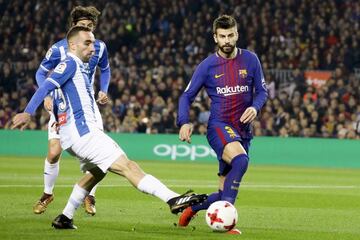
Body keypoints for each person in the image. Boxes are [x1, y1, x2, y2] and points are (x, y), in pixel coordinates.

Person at [12, 26, 207, 230]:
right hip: (85, 134)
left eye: (94, 43)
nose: (93, 48)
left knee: (97, 172)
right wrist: (28, 112)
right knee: (129, 167)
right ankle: (173, 200)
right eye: (87, 43)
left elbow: (103, 70)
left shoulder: (79, 66)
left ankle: (65, 217)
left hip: (74, 137)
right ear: (72, 45)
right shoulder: (69, 63)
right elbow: (45, 85)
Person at [176, 15, 268, 234]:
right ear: (215, 37)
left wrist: (255, 107)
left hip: (243, 131)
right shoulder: (207, 66)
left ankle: (191, 207)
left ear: (237, 34)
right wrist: (184, 122)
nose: (227, 40)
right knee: (241, 160)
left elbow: (263, 91)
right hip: (219, 126)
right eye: (222, 36)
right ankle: (228, 223)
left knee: (223, 189)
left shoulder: (251, 60)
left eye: (230, 35)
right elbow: (186, 96)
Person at [33, 6, 110, 216]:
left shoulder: (99, 47)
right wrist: (47, 96)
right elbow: (40, 74)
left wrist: (103, 89)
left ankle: (90, 195)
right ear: (73, 27)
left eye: (90, 26)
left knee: (96, 154)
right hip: (61, 105)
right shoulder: (58, 49)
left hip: (88, 108)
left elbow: (105, 69)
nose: (87, 29)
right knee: (54, 151)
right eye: (83, 25)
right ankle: (47, 194)